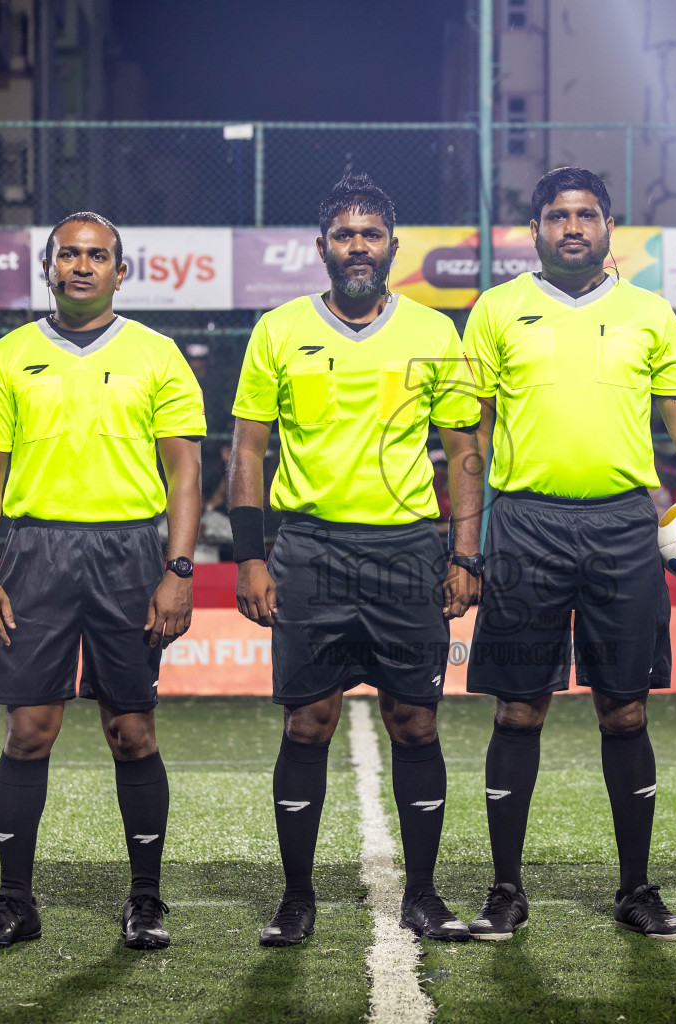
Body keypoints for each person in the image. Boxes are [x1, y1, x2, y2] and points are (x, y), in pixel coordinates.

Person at [462, 167, 676, 942]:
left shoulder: (648, 313)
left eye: (587, 214)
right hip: (525, 525)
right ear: (533, 230)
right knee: (519, 707)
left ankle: (636, 889)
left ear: (607, 228)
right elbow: (469, 436)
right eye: (557, 215)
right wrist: (466, 545)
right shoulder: (496, 310)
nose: (572, 226)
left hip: (625, 527)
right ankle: (504, 890)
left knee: (624, 708)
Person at [230, 174, 484, 946]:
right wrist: (251, 556)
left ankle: (426, 895)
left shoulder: (438, 332)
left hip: (407, 549)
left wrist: (465, 553)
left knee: (415, 720)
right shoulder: (278, 329)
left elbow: (464, 448)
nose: (358, 247)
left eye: (371, 234)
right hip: (310, 550)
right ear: (321, 248)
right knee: (307, 722)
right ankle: (297, 898)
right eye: (344, 235)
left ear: (393, 247)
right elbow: (247, 448)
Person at [0, 212, 205, 951]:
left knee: (131, 731)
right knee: (29, 730)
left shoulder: (158, 355)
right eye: (69, 254)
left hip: (130, 553)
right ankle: (14, 900)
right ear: (49, 266)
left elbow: (185, 467)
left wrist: (179, 571)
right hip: (34, 554)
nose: (83, 266)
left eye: (98, 256)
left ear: (120, 272)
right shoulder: (9, 355)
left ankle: (146, 900)